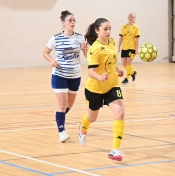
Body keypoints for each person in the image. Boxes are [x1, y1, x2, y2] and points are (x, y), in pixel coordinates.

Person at [78, 18, 125, 161]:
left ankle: (115, 150)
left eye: (110, 28)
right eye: (105, 29)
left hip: (112, 85)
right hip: (95, 88)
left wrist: (117, 70)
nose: (109, 31)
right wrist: (100, 77)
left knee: (120, 112)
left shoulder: (112, 42)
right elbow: (90, 72)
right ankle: (83, 128)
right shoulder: (95, 49)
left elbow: (110, 62)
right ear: (97, 31)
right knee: (92, 117)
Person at [43, 10, 87, 142]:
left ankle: (59, 116)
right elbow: (45, 52)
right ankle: (61, 131)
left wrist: (86, 48)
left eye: (74, 20)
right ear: (64, 23)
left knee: (69, 104)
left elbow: (86, 55)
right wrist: (52, 61)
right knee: (62, 104)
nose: (72, 22)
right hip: (59, 75)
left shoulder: (80, 38)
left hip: (75, 75)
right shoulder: (56, 38)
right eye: (70, 20)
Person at [118, 13, 140, 84]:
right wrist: (118, 47)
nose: (131, 18)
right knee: (124, 63)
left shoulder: (136, 28)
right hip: (124, 48)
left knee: (129, 63)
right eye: (130, 17)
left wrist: (136, 49)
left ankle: (126, 79)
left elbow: (137, 39)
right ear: (128, 18)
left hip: (132, 48)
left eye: (132, 17)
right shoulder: (123, 27)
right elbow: (121, 38)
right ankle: (132, 73)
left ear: (134, 19)